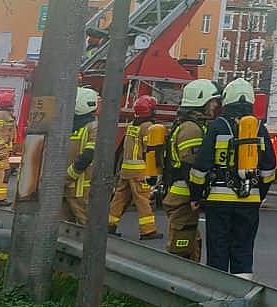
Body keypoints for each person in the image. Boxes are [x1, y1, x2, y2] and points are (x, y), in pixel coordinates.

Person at [192, 78, 275, 278]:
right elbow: (269, 168)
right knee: (243, 249)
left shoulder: (217, 126)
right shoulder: (259, 129)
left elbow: (201, 166)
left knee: (218, 249)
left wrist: (195, 195)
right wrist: (260, 194)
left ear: (226, 100)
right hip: (249, 201)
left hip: (218, 201)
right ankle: (241, 297)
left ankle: (217, 295)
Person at [161, 79, 217, 261]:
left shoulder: (189, 125)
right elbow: (190, 165)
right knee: (181, 248)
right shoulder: (192, 129)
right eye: (212, 102)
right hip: (183, 196)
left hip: (181, 195)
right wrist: (196, 195)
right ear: (201, 102)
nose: (215, 106)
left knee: (192, 245)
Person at [108, 95, 160, 238]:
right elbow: (148, 150)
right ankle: (148, 230)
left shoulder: (132, 125)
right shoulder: (147, 127)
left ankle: (109, 225)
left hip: (126, 170)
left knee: (119, 199)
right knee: (143, 200)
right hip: (139, 171)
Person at [61, 86, 99, 223]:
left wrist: (65, 177)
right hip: (72, 188)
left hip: (72, 188)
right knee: (69, 229)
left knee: (77, 228)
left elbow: (88, 155)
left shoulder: (89, 127)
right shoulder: (89, 126)